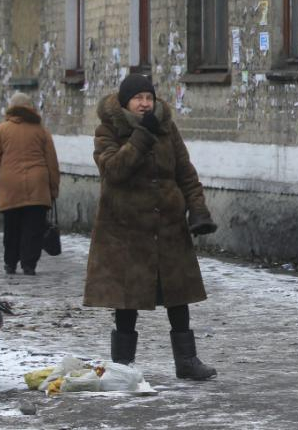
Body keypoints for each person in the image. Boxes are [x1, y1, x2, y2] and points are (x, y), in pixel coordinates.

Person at [83, 74, 218, 380]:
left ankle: (187, 361)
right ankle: (122, 367)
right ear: (125, 101)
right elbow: (114, 170)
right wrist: (142, 136)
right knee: (127, 299)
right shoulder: (108, 130)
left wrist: (197, 210)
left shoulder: (167, 128)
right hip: (125, 231)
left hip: (168, 227)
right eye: (138, 98)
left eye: (148, 97)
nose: (145, 103)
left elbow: (185, 171)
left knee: (178, 294)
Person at [0, 92, 60, 276]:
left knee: (11, 227)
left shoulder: (1, 130)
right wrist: (53, 188)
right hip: (38, 185)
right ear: (31, 108)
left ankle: (10, 263)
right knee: (33, 227)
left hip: (9, 185)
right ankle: (29, 264)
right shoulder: (42, 131)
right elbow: (52, 163)